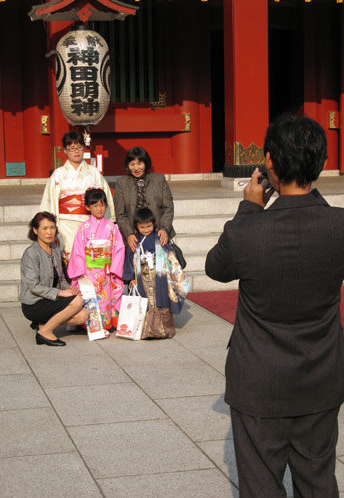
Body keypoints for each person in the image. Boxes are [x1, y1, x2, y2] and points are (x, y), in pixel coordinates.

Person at [205, 114, 344, 497]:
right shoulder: (339, 226)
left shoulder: (246, 231)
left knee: (261, 485)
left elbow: (215, 269)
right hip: (321, 375)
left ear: (269, 162)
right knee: (318, 481)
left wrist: (249, 208)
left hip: (258, 378)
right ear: (320, 163)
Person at [40, 131, 115, 263]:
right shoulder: (58, 175)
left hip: (91, 223)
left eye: (79, 148)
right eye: (72, 149)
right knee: (69, 260)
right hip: (65, 225)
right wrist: (52, 228)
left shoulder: (93, 172)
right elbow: (50, 202)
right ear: (65, 150)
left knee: (93, 262)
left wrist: (108, 222)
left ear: (84, 148)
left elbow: (105, 199)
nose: (76, 152)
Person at [20, 212, 88, 346]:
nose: (49, 232)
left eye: (52, 227)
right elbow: (33, 286)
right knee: (77, 301)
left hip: (49, 300)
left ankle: (42, 324)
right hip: (34, 303)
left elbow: (60, 278)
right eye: (44, 228)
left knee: (83, 315)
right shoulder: (31, 253)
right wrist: (60, 293)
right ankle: (45, 333)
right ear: (35, 230)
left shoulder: (55, 249)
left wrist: (68, 288)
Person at [124, 207, 189, 339]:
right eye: (142, 227)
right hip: (141, 278)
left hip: (159, 277)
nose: (146, 229)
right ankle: (144, 330)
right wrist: (130, 277)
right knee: (144, 303)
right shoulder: (134, 241)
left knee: (161, 301)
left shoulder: (159, 238)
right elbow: (129, 258)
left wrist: (171, 273)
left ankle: (164, 330)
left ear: (154, 224)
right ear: (136, 227)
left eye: (149, 226)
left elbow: (169, 256)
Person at [67, 187, 125, 331]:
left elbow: (119, 249)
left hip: (106, 270)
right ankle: (86, 324)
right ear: (88, 207)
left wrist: (114, 269)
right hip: (89, 270)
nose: (99, 209)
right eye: (95, 205)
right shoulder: (84, 228)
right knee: (89, 296)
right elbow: (78, 251)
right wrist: (82, 271)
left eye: (102, 205)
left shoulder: (112, 227)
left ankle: (104, 324)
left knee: (106, 297)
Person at [113, 146, 175, 253]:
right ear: (128, 166)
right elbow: (120, 214)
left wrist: (164, 229)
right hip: (134, 236)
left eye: (139, 164)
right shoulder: (121, 183)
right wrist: (129, 234)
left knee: (160, 268)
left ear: (146, 163)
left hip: (158, 233)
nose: (136, 168)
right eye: (132, 164)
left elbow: (168, 207)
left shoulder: (159, 179)